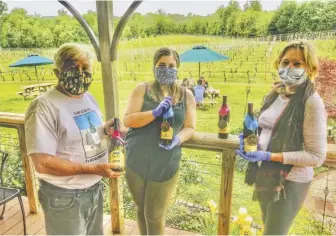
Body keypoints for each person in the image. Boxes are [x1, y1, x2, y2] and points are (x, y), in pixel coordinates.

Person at [25, 43, 121, 235]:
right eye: (72, 67)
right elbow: (42, 163)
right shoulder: (43, 106)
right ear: (57, 72)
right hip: (64, 196)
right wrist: (95, 169)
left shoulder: (87, 97)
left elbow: (81, 132)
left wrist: (104, 130)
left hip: (93, 190)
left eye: (85, 68)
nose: (80, 73)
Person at [236, 40, 327, 235]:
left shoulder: (311, 102)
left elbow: (316, 157)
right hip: (268, 175)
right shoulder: (276, 94)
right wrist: (248, 137)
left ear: (309, 68)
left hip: (290, 180)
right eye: (285, 63)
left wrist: (269, 156)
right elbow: (265, 128)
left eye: (297, 64)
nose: (289, 68)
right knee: (267, 228)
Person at [123, 47, 196, 235]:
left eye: (171, 65)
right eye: (161, 65)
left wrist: (177, 140)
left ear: (178, 68)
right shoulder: (143, 89)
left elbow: (190, 127)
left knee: (154, 214)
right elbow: (128, 120)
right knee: (141, 208)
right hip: (136, 159)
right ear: (154, 67)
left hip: (165, 162)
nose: (166, 69)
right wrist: (154, 113)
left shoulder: (186, 95)